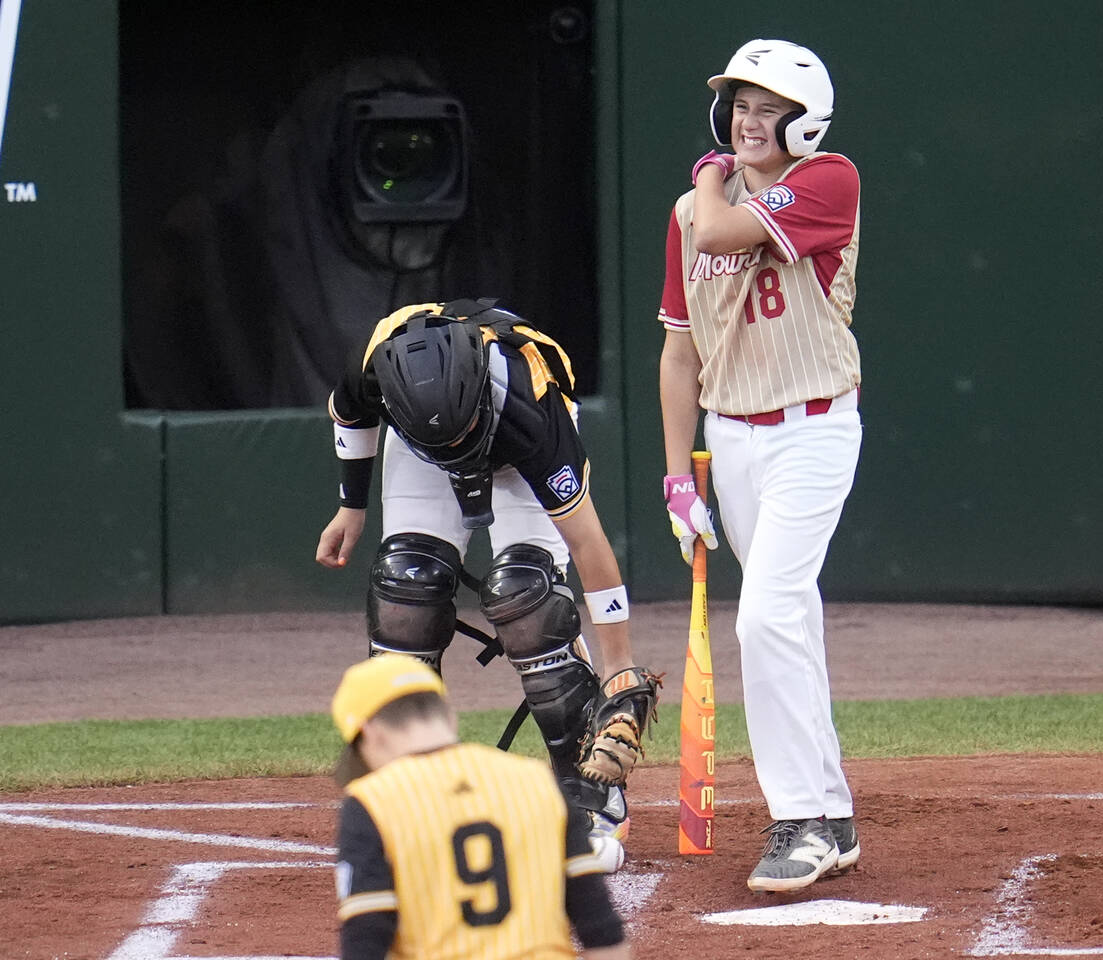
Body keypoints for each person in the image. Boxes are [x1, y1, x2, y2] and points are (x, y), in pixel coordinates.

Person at [316, 298, 660, 854]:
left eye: (461, 435)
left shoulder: (531, 404)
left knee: (527, 596)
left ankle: (584, 788)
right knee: (408, 583)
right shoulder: (377, 365)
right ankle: (405, 787)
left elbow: (588, 541)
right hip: (415, 448)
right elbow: (348, 413)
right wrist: (349, 507)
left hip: (511, 444)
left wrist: (619, 662)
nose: (457, 452)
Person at [657, 39, 863, 892]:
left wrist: (708, 176)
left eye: (767, 107)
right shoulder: (688, 213)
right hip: (730, 436)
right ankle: (834, 810)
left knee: (766, 616)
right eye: (739, 104)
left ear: (804, 122)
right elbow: (678, 354)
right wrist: (678, 476)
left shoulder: (828, 180)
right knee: (790, 622)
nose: (748, 119)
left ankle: (801, 821)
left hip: (812, 431)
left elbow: (723, 224)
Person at [330, 654, 631, 959]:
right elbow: (602, 932)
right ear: (449, 716)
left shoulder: (371, 801)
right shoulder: (538, 781)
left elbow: (365, 940)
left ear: (370, 731)